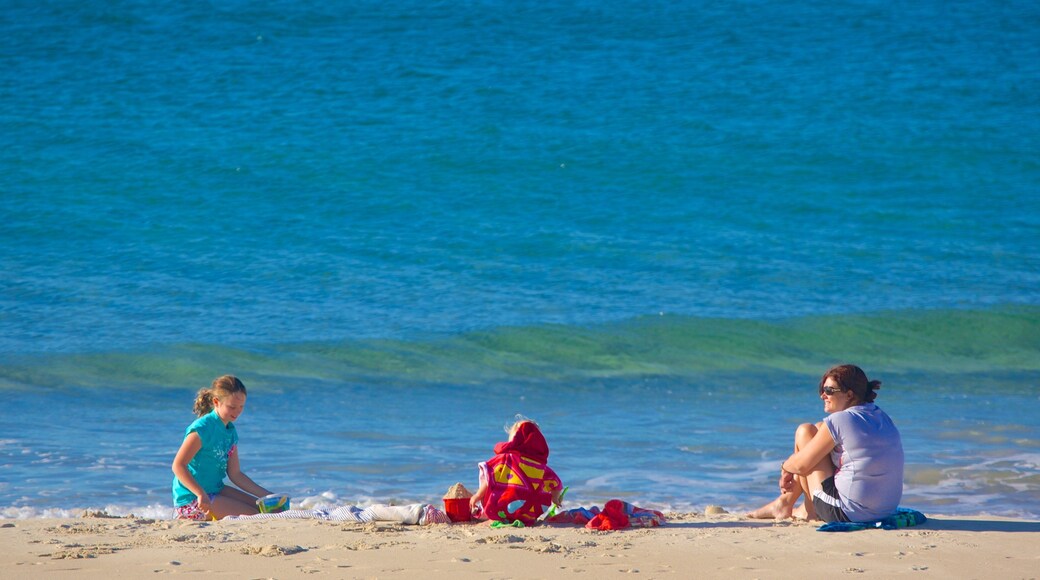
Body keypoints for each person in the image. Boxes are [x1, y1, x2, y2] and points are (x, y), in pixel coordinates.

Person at [747, 364, 904, 523]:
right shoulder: (881, 416)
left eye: (829, 390)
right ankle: (791, 505)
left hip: (846, 513)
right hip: (885, 511)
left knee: (805, 431)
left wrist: (785, 467)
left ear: (849, 394)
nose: (823, 395)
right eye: (822, 390)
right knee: (819, 428)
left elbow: (801, 466)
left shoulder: (840, 419)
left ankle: (797, 507)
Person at [171, 375, 273, 520]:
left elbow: (235, 474)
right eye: (232, 407)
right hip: (192, 499)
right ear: (216, 402)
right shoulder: (202, 429)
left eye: (241, 407)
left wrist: (267, 495)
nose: (237, 412)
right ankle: (184, 516)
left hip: (215, 490)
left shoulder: (230, 432)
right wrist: (200, 493)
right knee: (255, 517)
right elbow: (178, 465)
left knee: (264, 509)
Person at [469, 416, 564, 525]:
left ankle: (496, 516)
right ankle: (524, 517)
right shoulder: (541, 467)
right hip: (530, 514)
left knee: (494, 478)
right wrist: (555, 498)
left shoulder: (505, 459)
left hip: (504, 508)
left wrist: (478, 495)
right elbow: (556, 483)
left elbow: (489, 477)